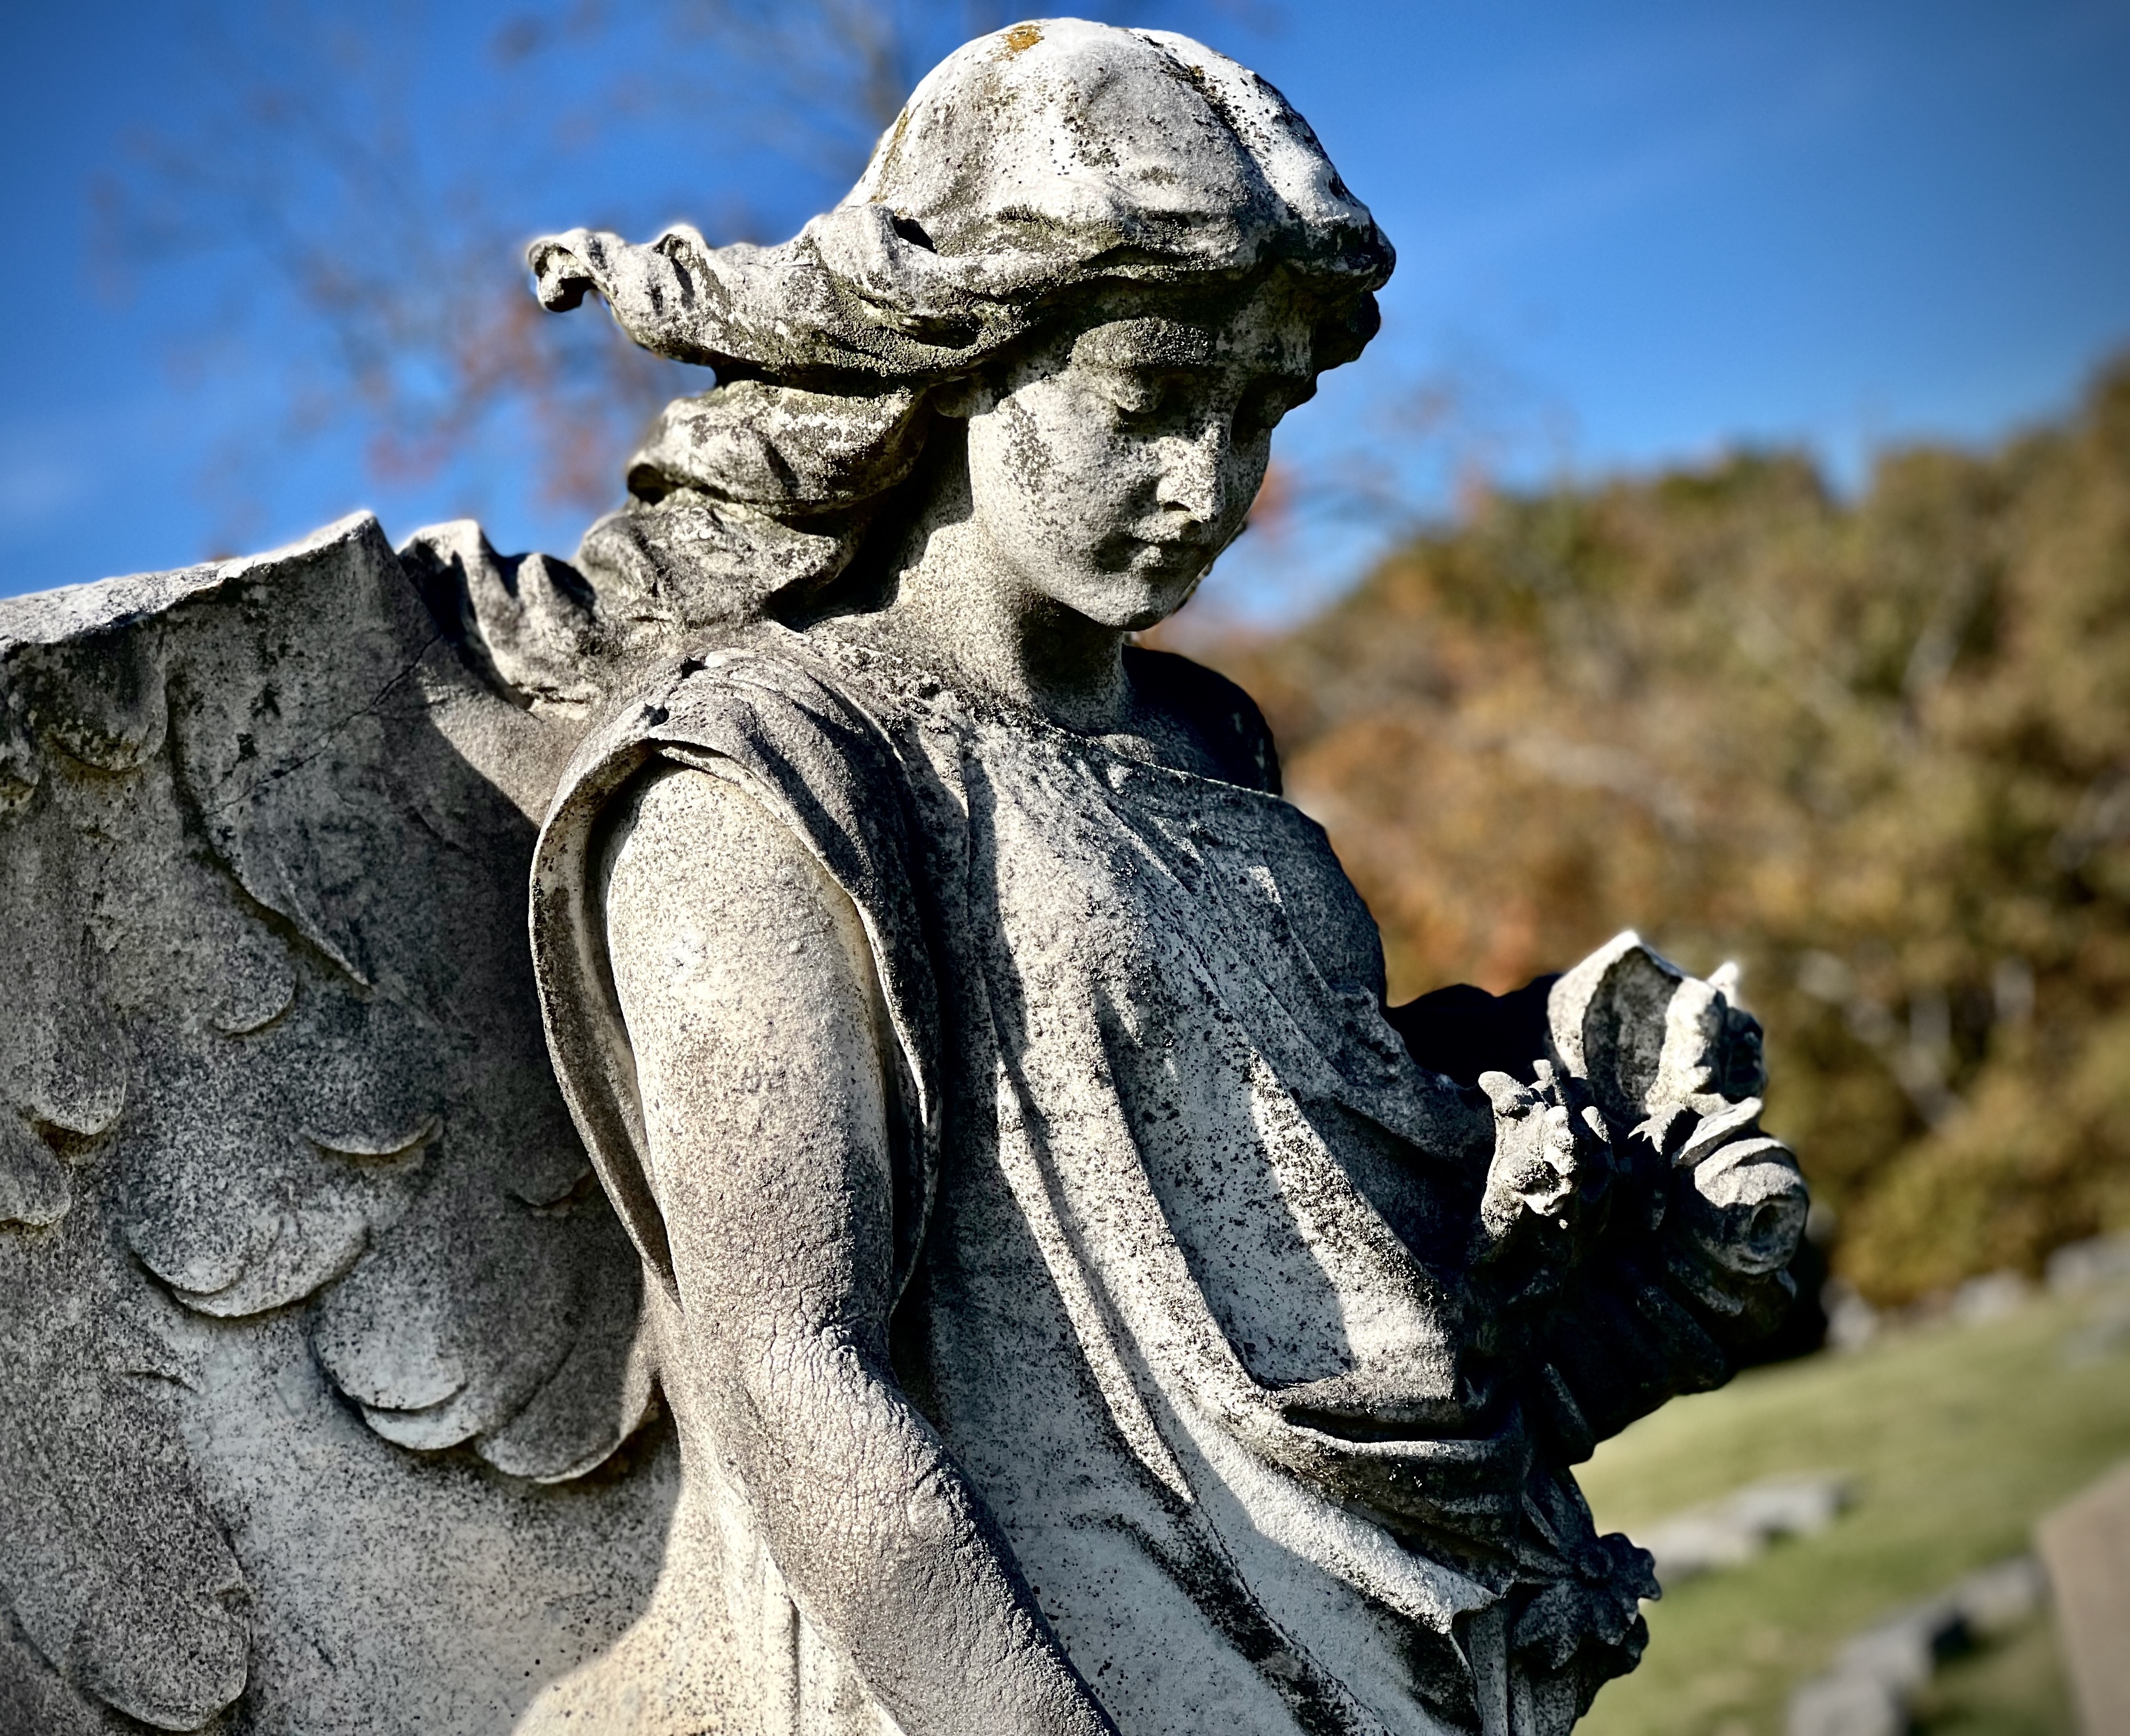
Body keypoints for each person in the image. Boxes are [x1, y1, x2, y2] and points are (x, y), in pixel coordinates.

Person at [522, 21, 1800, 1735]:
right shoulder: (768, 790)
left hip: (1424, 1669)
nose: (1215, 486)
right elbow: (788, 1374)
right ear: (965, 360)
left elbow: (1345, 1303)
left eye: (1256, 412)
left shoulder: (1209, 748)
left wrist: (1644, 1250)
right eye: (1149, 401)